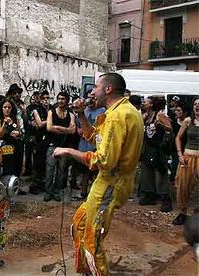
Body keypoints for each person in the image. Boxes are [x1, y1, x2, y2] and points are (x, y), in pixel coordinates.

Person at [53, 73, 144, 275]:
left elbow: (103, 160)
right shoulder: (124, 111)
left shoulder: (117, 117)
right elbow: (97, 138)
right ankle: (87, 270)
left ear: (108, 89)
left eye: (96, 87)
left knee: (92, 240)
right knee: (79, 223)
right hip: (110, 182)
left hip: (110, 184)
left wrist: (68, 151)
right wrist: (81, 114)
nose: (92, 91)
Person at [138, 96, 173, 212]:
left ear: (152, 104)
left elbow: (170, 128)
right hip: (148, 147)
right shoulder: (147, 115)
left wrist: (160, 125)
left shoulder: (159, 115)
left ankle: (165, 199)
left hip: (158, 148)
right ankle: (150, 194)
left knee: (160, 173)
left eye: (146, 102)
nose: (143, 103)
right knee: (147, 171)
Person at [43, 91, 76, 202]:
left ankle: (56, 192)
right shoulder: (51, 112)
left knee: (61, 171)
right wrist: (65, 129)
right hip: (52, 145)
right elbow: (49, 128)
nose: (60, 101)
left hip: (64, 147)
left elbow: (72, 131)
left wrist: (58, 127)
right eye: (59, 98)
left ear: (66, 101)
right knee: (49, 170)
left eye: (63, 99)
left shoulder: (70, 114)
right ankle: (48, 192)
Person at [172, 97, 199, 225]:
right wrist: (179, 154)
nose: (197, 106)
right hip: (188, 158)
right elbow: (178, 137)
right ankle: (182, 213)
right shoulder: (188, 121)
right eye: (195, 104)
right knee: (183, 187)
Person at [0, 98, 23, 177]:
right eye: (5, 107)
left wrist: (18, 133)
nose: (7, 109)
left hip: (16, 145)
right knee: (7, 167)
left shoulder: (15, 118)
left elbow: (19, 130)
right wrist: (4, 124)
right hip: (5, 145)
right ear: (1, 108)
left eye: (9, 107)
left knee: (17, 167)